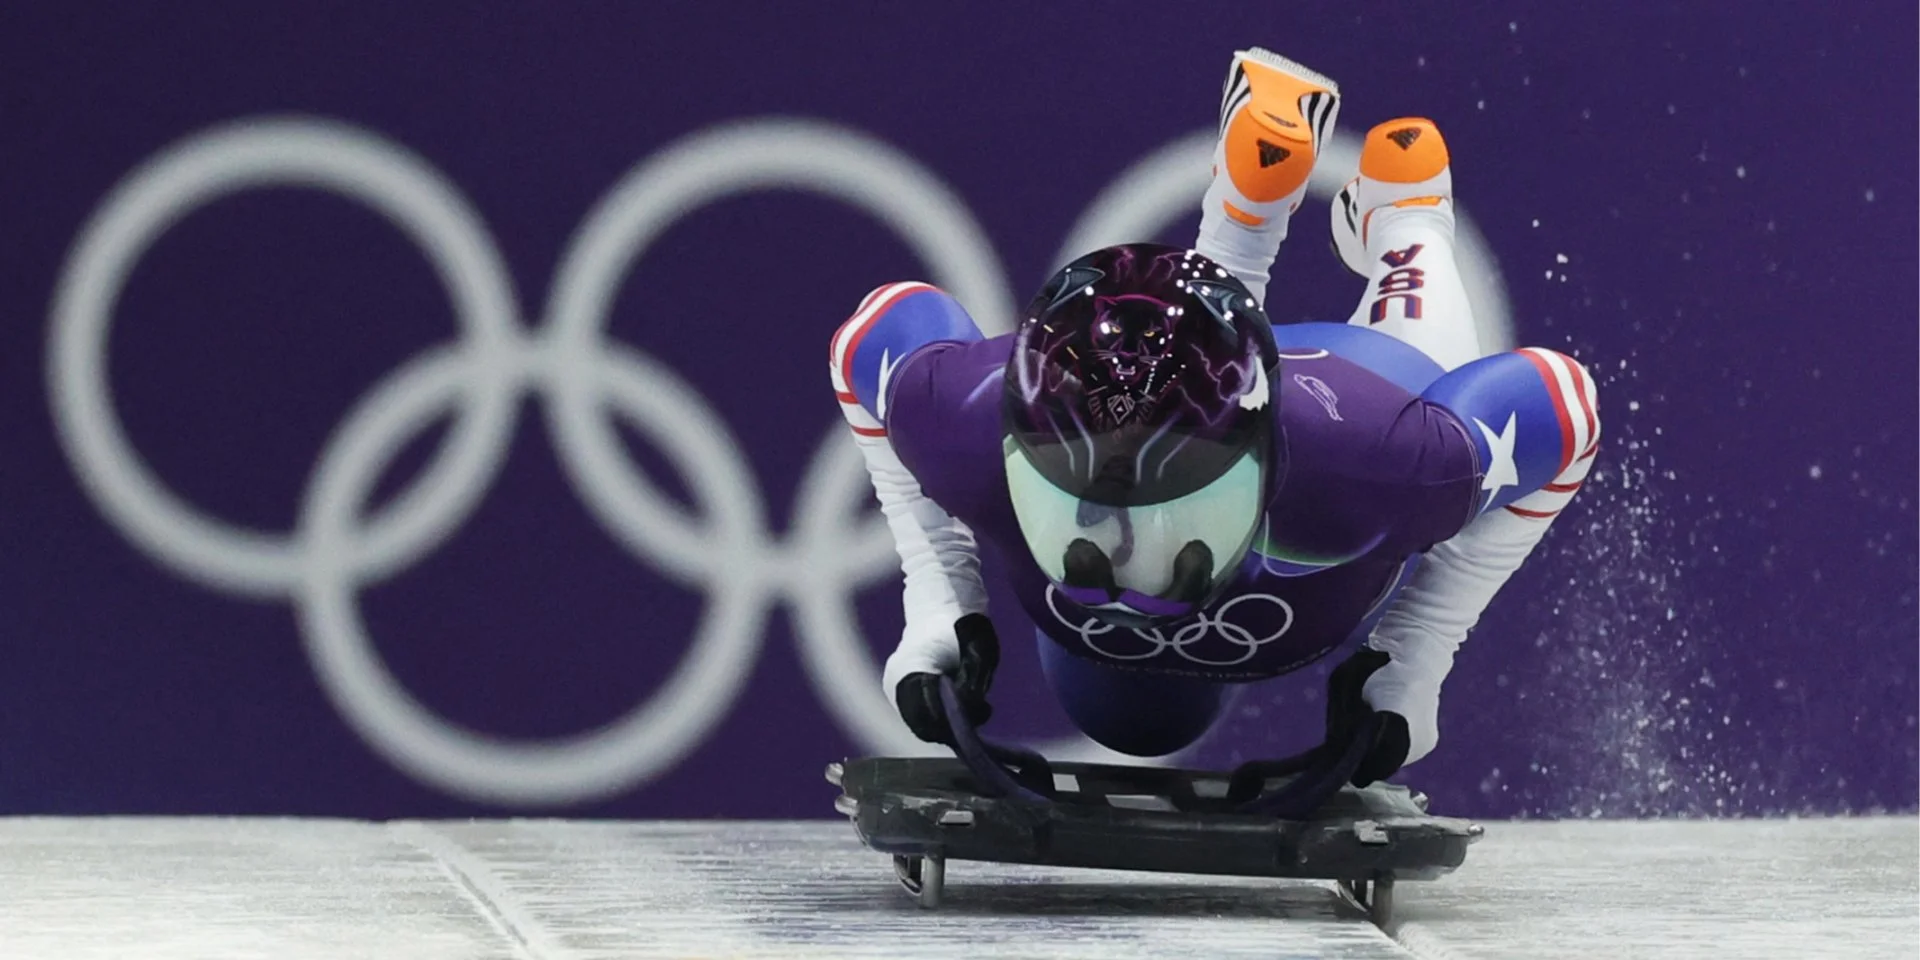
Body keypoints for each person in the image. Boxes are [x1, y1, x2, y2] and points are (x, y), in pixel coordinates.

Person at [827, 48, 1600, 787]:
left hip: (1342, 395)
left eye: (1171, 506)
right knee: (1131, 716)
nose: (1131, 573)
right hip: (1287, 476)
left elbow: (1568, 409)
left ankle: (1405, 216)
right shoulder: (970, 420)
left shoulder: (1379, 456)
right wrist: (940, 595)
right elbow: (1567, 407)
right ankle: (1263, 212)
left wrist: (1421, 647)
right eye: (1090, 499)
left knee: (1422, 383)